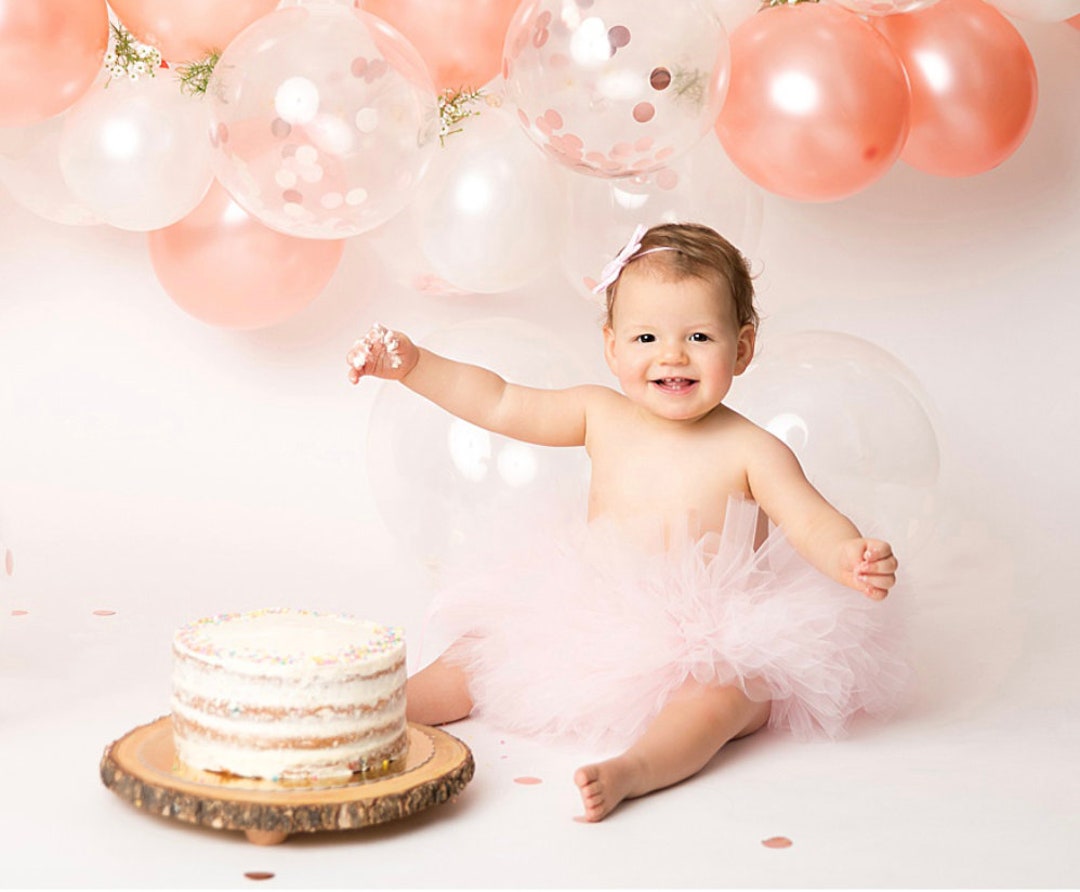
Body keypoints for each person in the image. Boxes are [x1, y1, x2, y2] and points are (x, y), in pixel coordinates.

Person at [347, 222, 912, 822]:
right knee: (482, 650)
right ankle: (382, 708)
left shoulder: (752, 448)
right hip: (597, 604)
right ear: (612, 346)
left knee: (721, 698)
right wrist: (413, 365)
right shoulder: (600, 413)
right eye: (647, 336)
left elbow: (808, 519)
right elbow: (499, 400)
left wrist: (848, 554)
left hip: (713, 629)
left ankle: (635, 768)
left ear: (741, 348)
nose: (672, 355)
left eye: (698, 335)